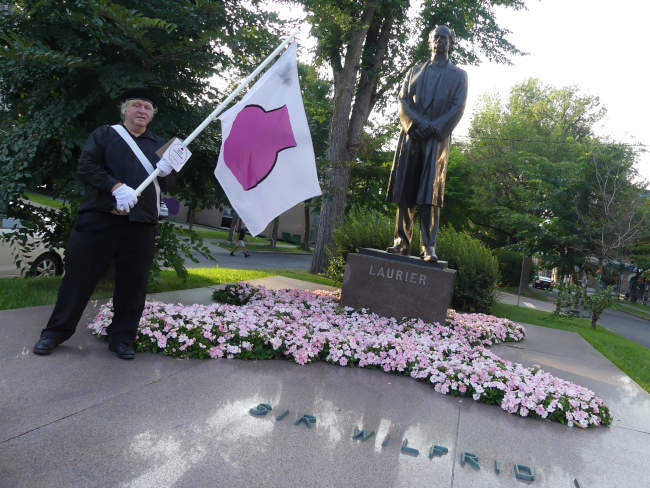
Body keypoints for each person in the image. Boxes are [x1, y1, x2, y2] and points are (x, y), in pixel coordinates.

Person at [32, 88, 175, 360]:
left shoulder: (160, 146)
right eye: (136, 105)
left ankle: (122, 338)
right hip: (99, 219)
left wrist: (168, 171)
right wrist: (115, 187)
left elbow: (169, 184)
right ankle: (55, 332)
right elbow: (86, 166)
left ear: (152, 115)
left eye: (147, 107)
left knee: (133, 285)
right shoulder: (105, 135)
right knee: (78, 279)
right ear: (125, 110)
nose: (142, 110)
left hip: (141, 225)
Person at [386, 25, 468, 262]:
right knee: (406, 192)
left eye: (444, 38)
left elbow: (457, 106)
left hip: (436, 140)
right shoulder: (414, 71)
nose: (440, 41)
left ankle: (428, 247)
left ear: (451, 42)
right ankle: (401, 242)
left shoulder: (459, 75)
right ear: (429, 42)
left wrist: (433, 127)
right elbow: (402, 100)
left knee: (430, 194)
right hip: (411, 137)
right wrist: (415, 124)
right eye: (436, 38)